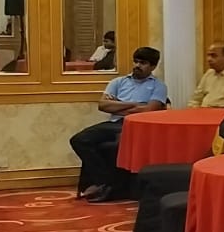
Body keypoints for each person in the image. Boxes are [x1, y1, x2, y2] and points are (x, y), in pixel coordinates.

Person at [71, 45, 167, 201]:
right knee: (79, 140)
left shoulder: (158, 86)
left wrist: (117, 104)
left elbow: (149, 110)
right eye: (136, 61)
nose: (137, 65)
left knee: (116, 146)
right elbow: (103, 105)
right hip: (115, 123)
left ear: (153, 66)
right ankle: (106, 181)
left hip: (138, 127)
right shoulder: (118, 82)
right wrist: (135, 104)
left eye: (143, 63)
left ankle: (106, 184)